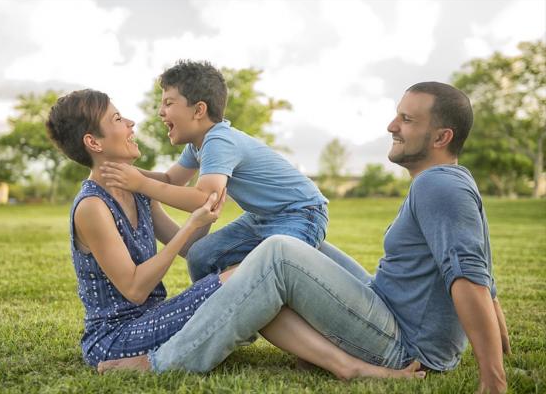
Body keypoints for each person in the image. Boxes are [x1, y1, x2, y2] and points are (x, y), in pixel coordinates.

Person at [99, 82, 510, 394]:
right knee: (262, 257)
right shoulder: (447, 182)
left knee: (276, 253)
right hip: (388, 304)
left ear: (441, 138)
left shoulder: (439, 186)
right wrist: (502, 339)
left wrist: (493, 379)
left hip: (405, 343)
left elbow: (469, 276)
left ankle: (163, 362)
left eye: (407, 120)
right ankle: (329, 358)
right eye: (396, 115)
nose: (391, 125)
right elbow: (476, 266)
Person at [46, 88, 424, 381]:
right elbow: (134, 288)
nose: (131, 123)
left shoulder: (138, 189)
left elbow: (191, 250)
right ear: (93, 142)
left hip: (151, 317)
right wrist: (192, 224)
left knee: (254, 272)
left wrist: (204, 219)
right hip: (116, 339)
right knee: (250, 274)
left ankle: (333, 357)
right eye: (117, 119)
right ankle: (346, 365)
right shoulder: (93, 207)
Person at [99, 60, 328, 282]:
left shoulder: (219, 140)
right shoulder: (197, 144)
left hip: (301, 213)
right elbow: (171, 180)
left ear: (199, 110)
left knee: (266, 269)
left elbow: (202, 198)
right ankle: (210, 305)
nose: (160, 111)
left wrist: (139, 183)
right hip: (263, 217)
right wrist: (121, 170)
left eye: (168, 103)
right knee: (201, 256)